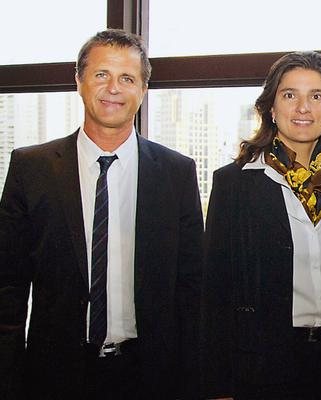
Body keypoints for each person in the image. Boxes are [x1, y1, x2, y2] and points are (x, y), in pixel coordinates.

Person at [0, 29, 203, 399]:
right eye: (101, 75)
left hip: (151, 376)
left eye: (127, 78)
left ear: (142, 90)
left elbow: (191, 290)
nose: (114, 88)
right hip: (54, 375)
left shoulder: (176, 173)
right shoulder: (32, 168)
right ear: (78, 81)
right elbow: (8, 286)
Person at [200, 51, 321, 399]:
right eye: (290, 94)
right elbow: (214, 290)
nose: (303, 107)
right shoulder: (235, 184)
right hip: (263, 362)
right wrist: (218, 386)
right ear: (270, 107)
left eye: (317, 96)